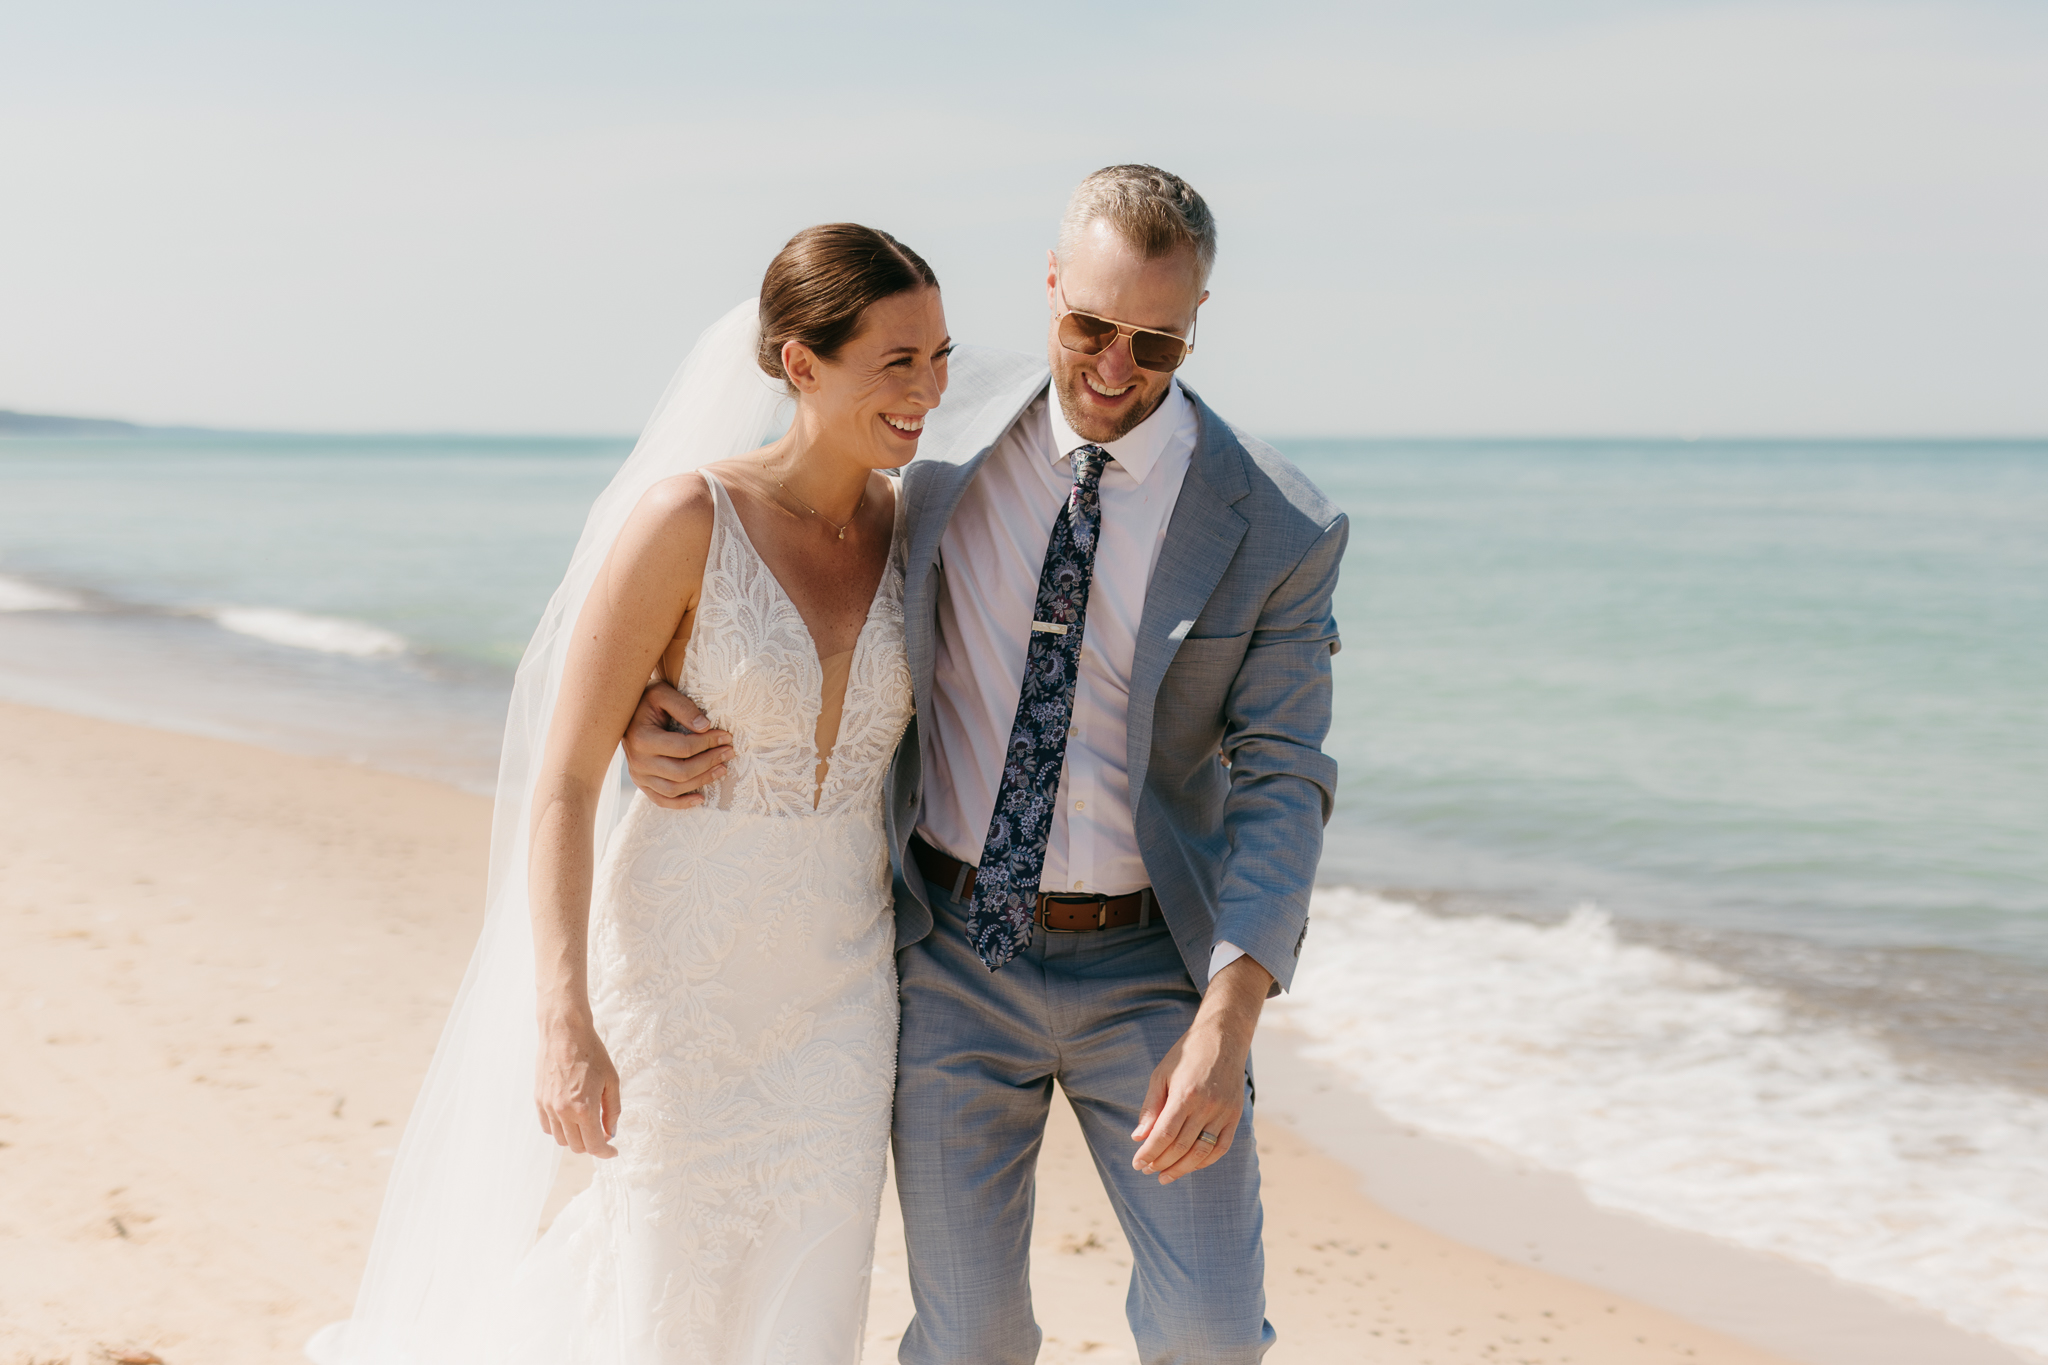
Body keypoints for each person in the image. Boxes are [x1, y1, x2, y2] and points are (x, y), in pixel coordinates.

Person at [625, 164, 1346, 1364]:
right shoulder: (934, 438)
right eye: (1088, 328)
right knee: (969, 1344)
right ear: (1051, 287)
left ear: (1197, 321)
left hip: (1154, 976)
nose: (1114, 369)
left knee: (1212, 1333)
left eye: (1155, 343)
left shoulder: (1278, 524)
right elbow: (766, 533)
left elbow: (1284, 777)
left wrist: (1229, 1019)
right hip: (952, 956)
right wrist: (657, 695)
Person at [310, 223, 947, 1363]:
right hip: (677, 983)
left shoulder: (917, 527)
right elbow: (562, 780)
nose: (928, 390)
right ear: (800, 364)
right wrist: (563, 1019)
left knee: (809, 1307)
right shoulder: (684, 521)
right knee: (665, 1300)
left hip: (842, 993)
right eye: (897, 361)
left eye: (939, 357)